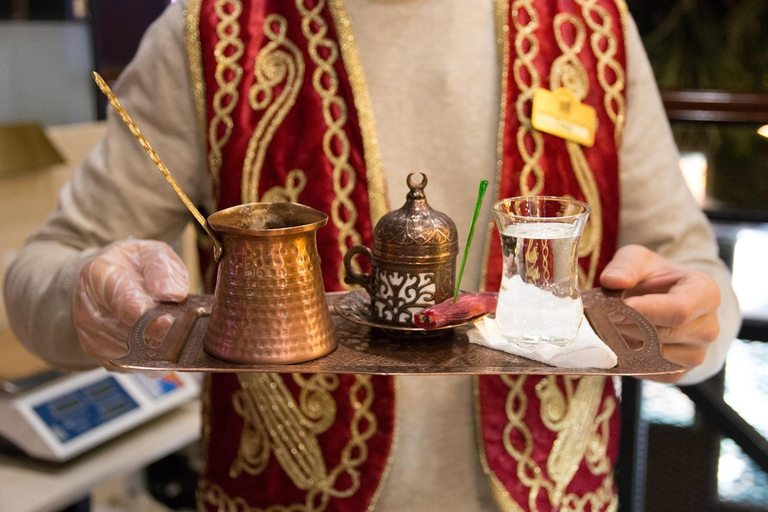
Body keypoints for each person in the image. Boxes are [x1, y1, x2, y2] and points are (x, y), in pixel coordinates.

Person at [4, 0, 740, 510]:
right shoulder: (214, 30)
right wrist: (84, 295)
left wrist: (695, 321)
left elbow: (695, 275)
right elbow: (44, 270)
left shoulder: (592, 27)